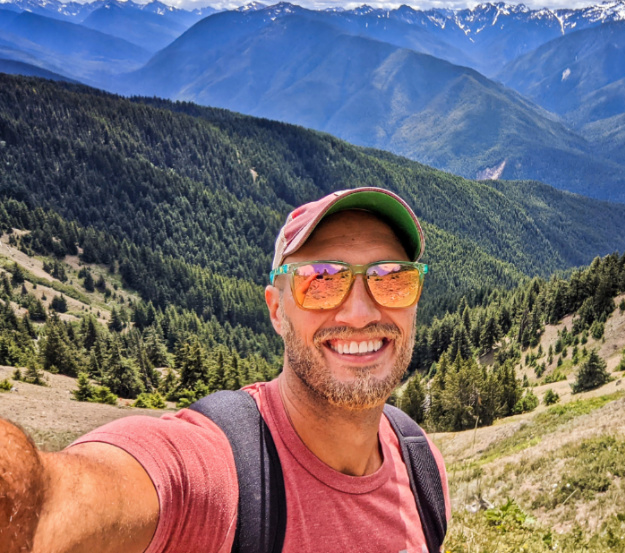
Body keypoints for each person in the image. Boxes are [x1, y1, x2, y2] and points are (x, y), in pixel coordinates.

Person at [0, 187, 450, 553]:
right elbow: (58, 498)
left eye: (392, 278)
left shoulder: (423, 468)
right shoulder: (223, 474)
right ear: (277, 311)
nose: (358, 312)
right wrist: (21, 493)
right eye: (322, 280)